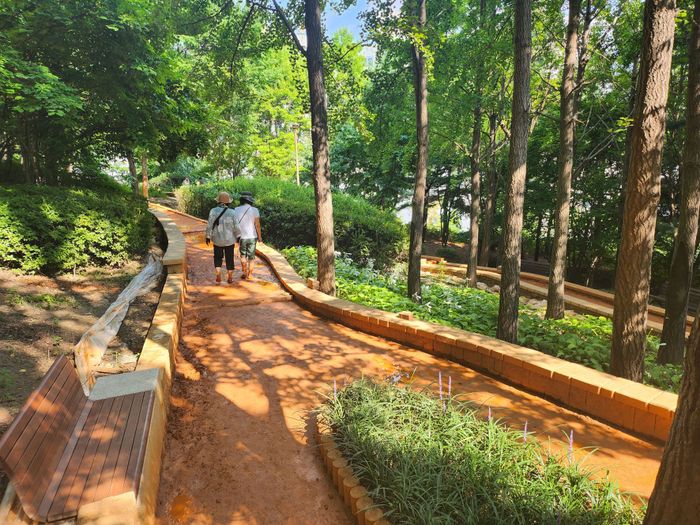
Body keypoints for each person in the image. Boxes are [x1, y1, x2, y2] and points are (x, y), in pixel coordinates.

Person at [205, 191, 239, 283]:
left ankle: (218, 275)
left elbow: (209, 225)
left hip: (217, 239)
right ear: (228, 202)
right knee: (230, 258)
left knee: (217, 258)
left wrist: (208, 236)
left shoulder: (213, 211)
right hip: (229, 240)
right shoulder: (232, 212)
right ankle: (230, 277)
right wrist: (238, 236)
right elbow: (236, 226)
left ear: (218, 201)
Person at [234, 191, 262, 280]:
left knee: (243, 256)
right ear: (250, 200)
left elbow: (235, 225)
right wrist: (260, 237)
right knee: (251, 257)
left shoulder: (236, 209)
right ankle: (249, 275)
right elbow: (257, 225)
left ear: (242, 200)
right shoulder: (255, 210)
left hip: (242, 237)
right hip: (252, 237)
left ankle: (244, 272)